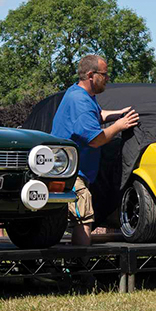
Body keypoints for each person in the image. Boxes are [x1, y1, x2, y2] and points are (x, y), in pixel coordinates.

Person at [51, 55, 138, 246]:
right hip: (72, 176)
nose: (108, 79)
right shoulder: (80, 102)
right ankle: (80, 271)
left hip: (74, 172)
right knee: (83, 221)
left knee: (79, 219)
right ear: (91, 75)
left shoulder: (81, 95)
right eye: (104, 75)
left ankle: (76, 268)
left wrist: (119, 113)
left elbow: (98, 115)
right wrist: (120, 125)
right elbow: (96, 140)